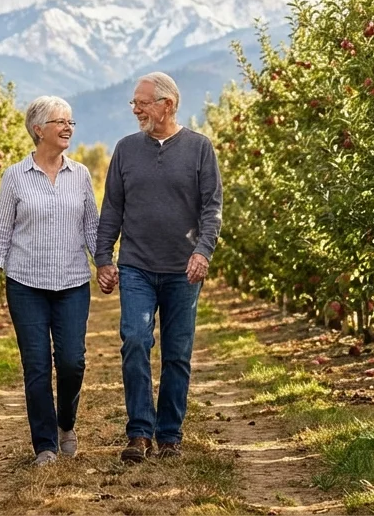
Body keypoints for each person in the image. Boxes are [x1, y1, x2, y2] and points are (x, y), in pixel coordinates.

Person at [94, 72, 222, 462]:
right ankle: (139, 433)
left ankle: (169, 436)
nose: (136, 109)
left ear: (168, 104)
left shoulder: (199, 149)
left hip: (183, 270)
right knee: (135, 340)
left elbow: (211, 208)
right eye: (134, 103)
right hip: (136, 266)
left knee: (177, 353)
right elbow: (112, 208)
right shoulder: (126, 150)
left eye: (143, 102)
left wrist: (203, 251)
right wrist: (103, 258)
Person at [0, 96, 106, 467]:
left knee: (72, 362)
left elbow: (92, 227)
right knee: (36, 365)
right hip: (25, 283)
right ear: (38, 130)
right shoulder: (15, 176)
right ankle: (45, 446)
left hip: (71, 282)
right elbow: (1, 231)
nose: (68, 127)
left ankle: (66, 423)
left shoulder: (80, 175)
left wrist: (104, 263)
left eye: (71, 122)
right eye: (60, 122)